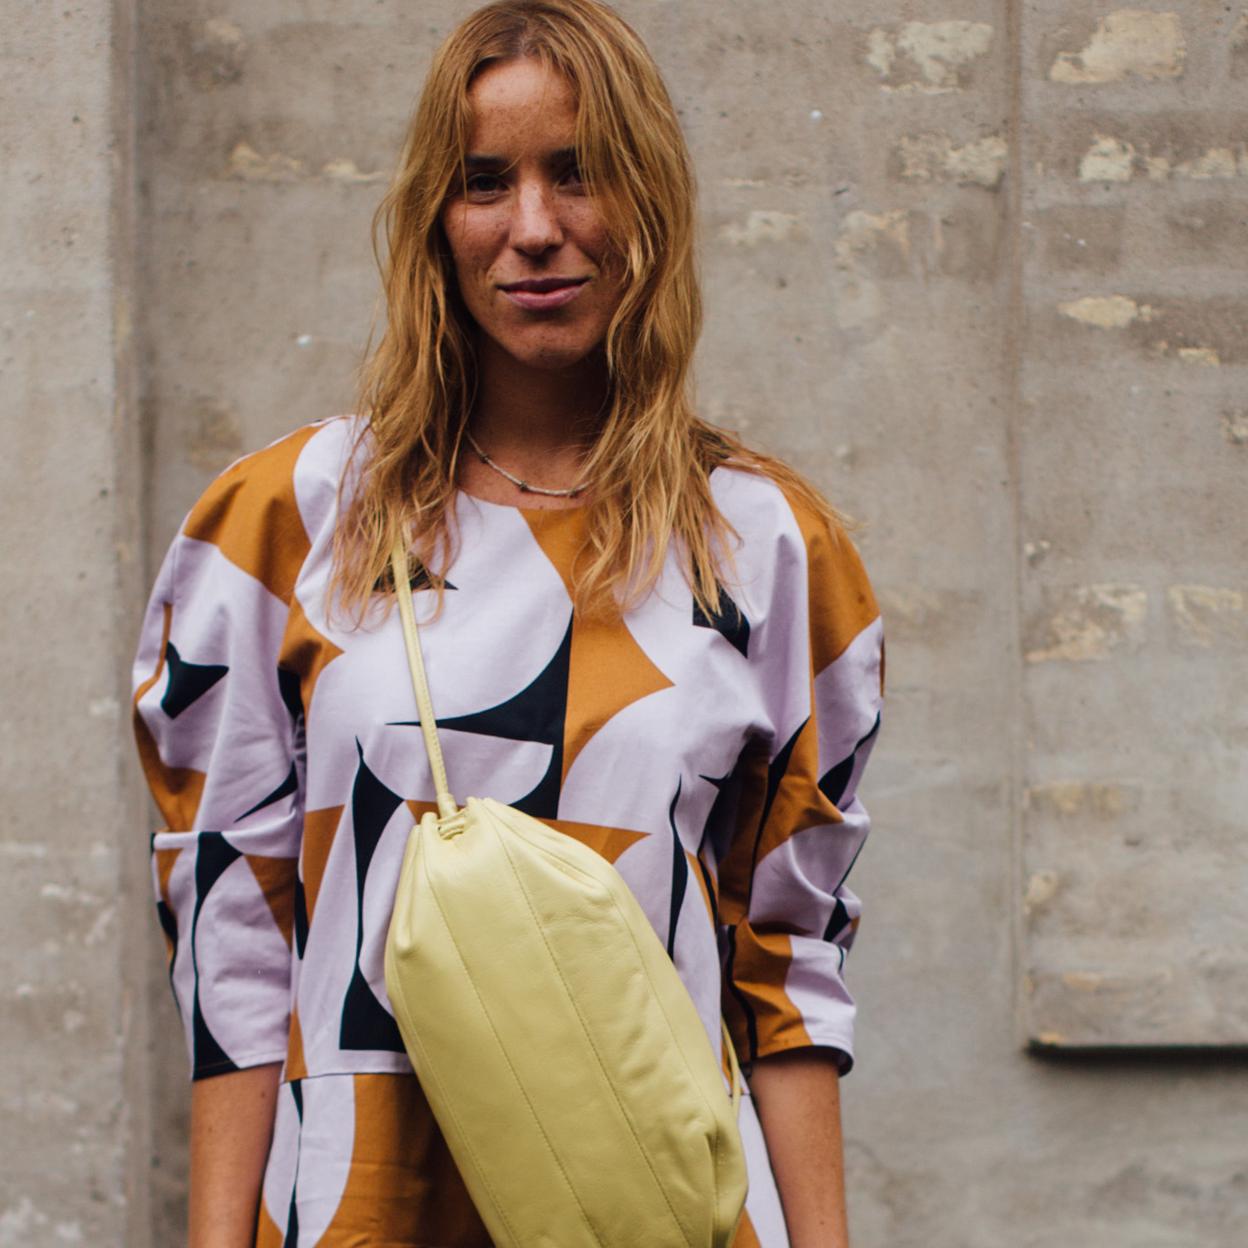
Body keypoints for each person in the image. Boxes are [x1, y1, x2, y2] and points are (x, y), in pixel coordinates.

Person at [131, 1, 885, 1244]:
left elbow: (789, 966)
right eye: (486, 182)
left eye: (579, 173)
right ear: (437, 217)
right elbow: (234, 945)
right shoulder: (288, 521)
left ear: (651, 200)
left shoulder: (764, 547)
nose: (533, 228)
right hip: (361, 1201)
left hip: (647, 1214)